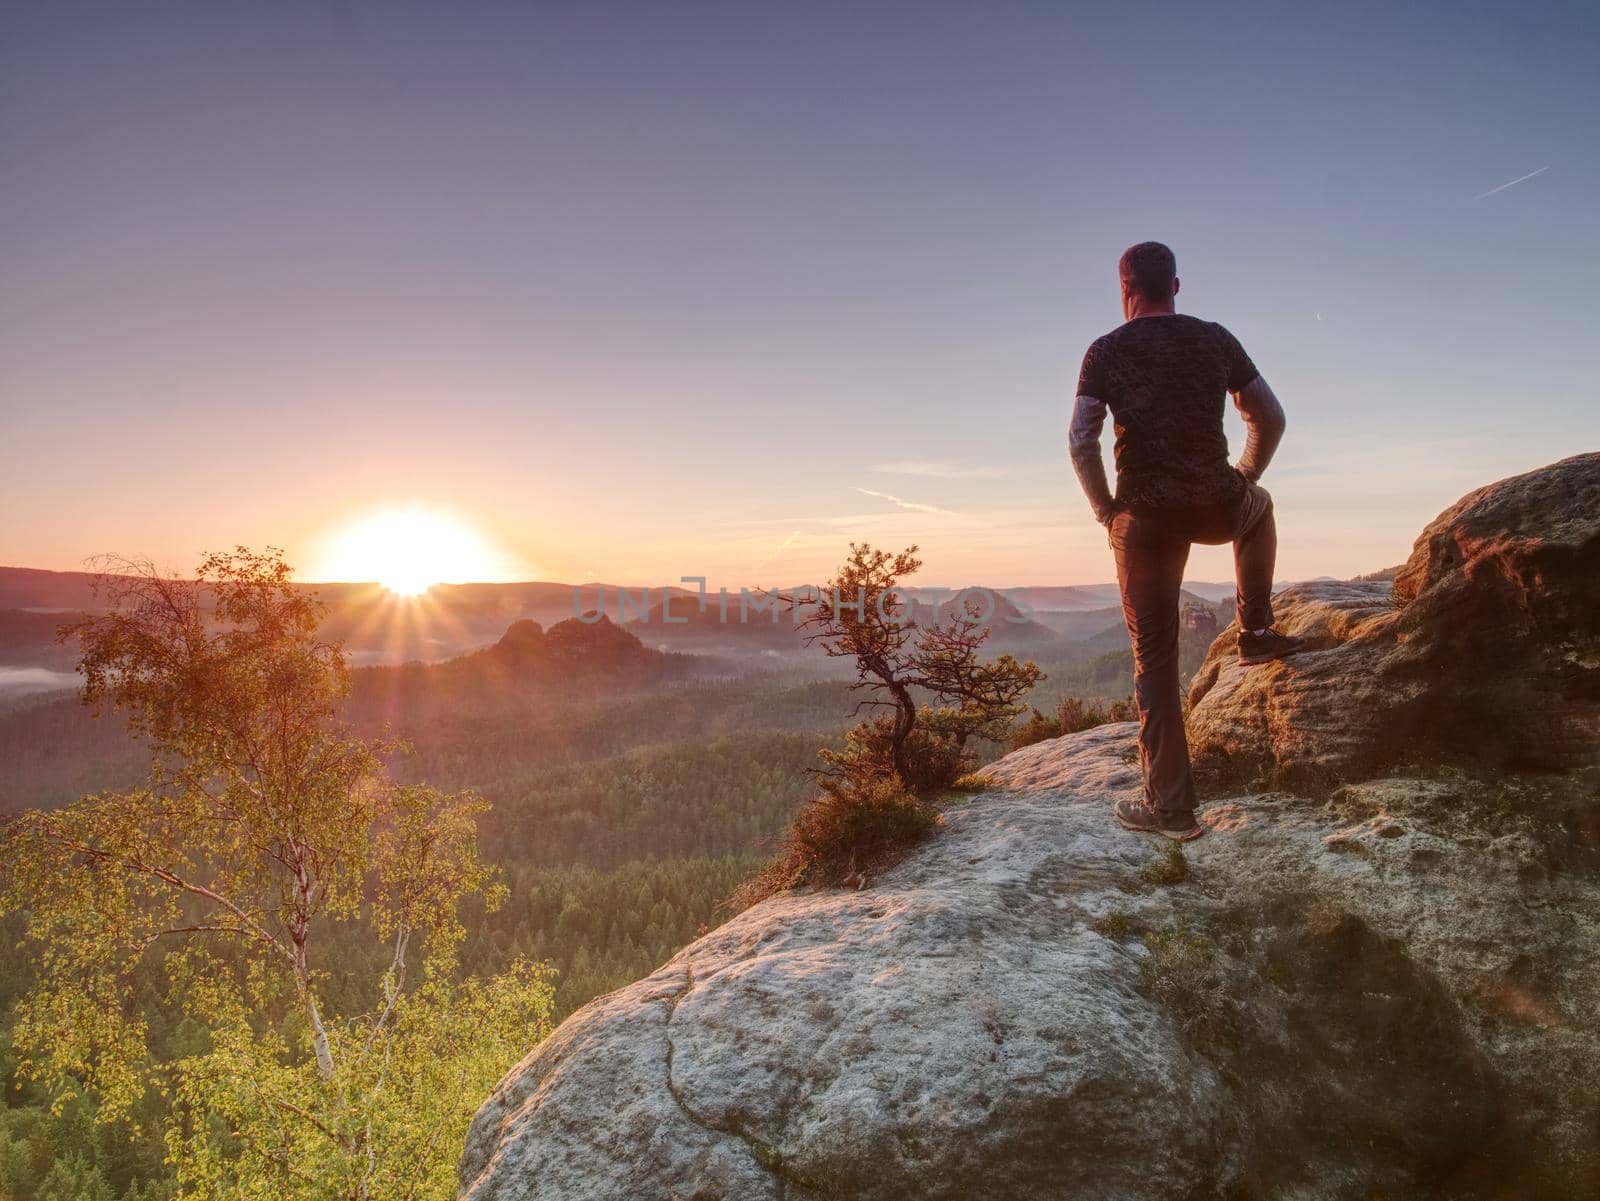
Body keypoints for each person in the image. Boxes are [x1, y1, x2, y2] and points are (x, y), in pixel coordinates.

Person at [1070, 241, 1305, 842]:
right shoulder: (1213, 338)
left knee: (1155, 661)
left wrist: (1106, 511)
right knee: (1260, 509)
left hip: (1144, 521)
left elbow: (1081, 440)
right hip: (1213, 502)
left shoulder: (1105, 350)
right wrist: (1244, 478)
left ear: (1125, 290)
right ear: (1175, 286)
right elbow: (1269, 417)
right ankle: (1255, 632)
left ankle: (1171, 808)